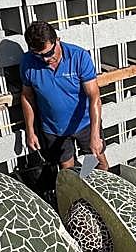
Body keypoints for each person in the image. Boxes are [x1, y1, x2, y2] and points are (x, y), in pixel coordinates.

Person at [19, 20, 109, 171]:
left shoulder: (79, 57)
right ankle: (79, 188)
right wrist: (30, 131)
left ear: (57, 41)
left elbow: (94, 97)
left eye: (48, 53)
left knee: (98, 163)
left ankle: (88, 179)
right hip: (54, 129)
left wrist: (95, 134)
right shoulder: (28, 63)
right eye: (38, 55)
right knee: (68, 171)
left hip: (85, 124)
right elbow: (27, 97)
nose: (46, 59)